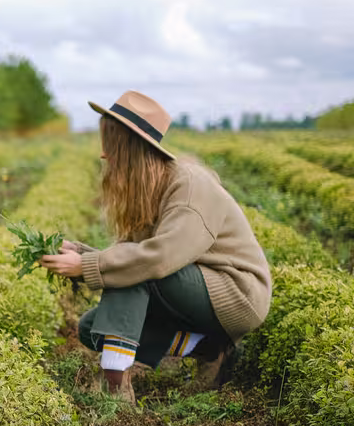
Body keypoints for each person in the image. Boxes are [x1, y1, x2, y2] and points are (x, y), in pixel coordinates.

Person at [39, 91, 271, 403]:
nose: (104, 155)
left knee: (134, 273)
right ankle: (211, 349)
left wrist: (86, 266)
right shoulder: (150, 186)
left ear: (129, 146)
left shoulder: (189, 186)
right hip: (191, 288)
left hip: (234, 293)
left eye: (110, 144)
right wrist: (80, 254)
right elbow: (135, 254)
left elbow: (158, 259)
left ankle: (115, 391)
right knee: (93, 327)